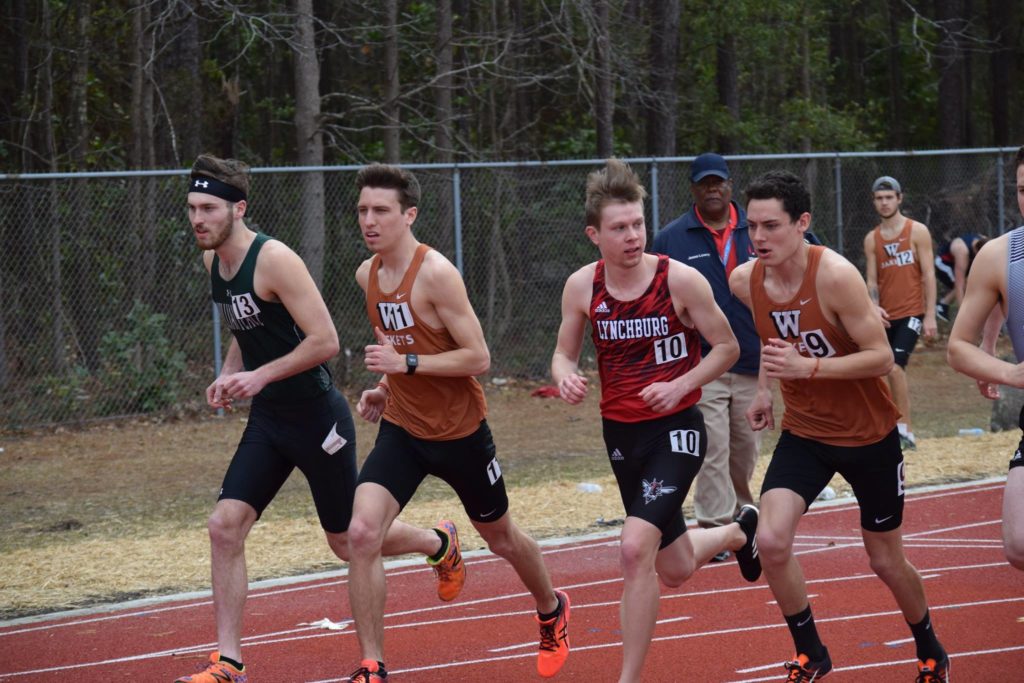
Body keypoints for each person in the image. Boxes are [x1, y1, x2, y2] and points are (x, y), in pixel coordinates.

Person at [176, 155, 445, 683]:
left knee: (345, 541)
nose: (198, 219)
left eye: (209, 208)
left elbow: (326, 342)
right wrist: (229, 373)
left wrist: (260, 375)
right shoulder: (213, 262)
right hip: (269, 420)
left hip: (318, 418)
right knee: (224, 527)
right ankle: (229, 662)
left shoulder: (275, 259)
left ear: (238, 209)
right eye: (192, 208)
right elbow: (246, 326)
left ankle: (436, 542)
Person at [348, 163, 570, 682]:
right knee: (360, 533)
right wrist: (385, 386)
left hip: (461, 434)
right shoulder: (366, 275)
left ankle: (551, 608)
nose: (369, 220)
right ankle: (372, 665)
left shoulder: (436, 274)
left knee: (501, 538)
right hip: (404, 429)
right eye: (362, 210)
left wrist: (403, 365)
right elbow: (401, 347)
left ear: (409, 215)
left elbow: (478, 357)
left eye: (381, 210)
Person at [728, 170, 949, 682]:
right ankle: (812, 653)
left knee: (885, 561)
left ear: (802, 222)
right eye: (752, 227)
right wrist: (763, 389)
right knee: (773, 541)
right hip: (805, 433)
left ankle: (930, 648)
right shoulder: (745, 280)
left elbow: (881, 358)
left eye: (771, 226)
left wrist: (810, 367)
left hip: (869, 436)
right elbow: (771, 337)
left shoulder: (834, 276)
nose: (759, 237)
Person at [551, 159, 760, 683]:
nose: (632, 236)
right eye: (619, 228)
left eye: (638, 224)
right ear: (594, 235)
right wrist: (565, 376)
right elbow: (562, 354)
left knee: (633, 549)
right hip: (622, 436)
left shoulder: (679, 279)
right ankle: (738, 532)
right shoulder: (581, 287)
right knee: (675, 567)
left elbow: (728, 347)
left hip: (678, 430)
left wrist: (681, 385)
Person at [652, 152, 762, 561]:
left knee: (745, 449)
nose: (712, 189)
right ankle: (715, 527)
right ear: (693, 189)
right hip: (702, 361)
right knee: (712, 446)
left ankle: (743, 518)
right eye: (704, 184)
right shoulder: (673, 237)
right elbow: (654, 295)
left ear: (731, 185)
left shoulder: (757, 229)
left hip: (752, 360)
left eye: (718, 182)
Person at [947, 144, 1024, 572]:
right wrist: (1007, 369)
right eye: (1022, 190)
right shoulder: (999, 255)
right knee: (1018, 545)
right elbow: (958, 346)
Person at [862, 175, 938, 450]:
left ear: (899, 198)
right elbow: (872, 280)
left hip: (912, 313)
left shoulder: (916, 231)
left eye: (889, 197)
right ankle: (887, 429)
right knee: (880, 370)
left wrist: (930, 315)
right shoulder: (872, 239)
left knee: (895, 367)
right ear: (874, 202)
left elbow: (928, 274)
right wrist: (873, 306)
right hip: (885, 316)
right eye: (879, 198)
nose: (884, 203)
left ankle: (906, 430)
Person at [935, 230, 989, 322]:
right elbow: (959, 285)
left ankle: (943, 304)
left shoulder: (985, 241)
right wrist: (963, 315)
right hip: (943, 264)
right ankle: (950, 309)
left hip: (958, 262)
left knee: (973, 282)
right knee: (965, 285)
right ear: (976, 251)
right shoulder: (962, 252)